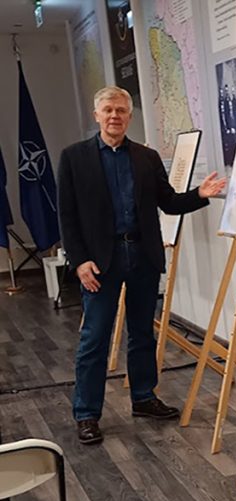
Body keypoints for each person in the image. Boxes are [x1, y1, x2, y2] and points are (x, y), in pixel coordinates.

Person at [57, 87, 226, 445]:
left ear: (129, 116)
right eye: (108, 110)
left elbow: (168, 202)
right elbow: (67, 216)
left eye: (121, 110)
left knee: (142, 333)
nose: (114, 116)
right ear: (97, 115)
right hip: (100, 262)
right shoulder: (73, 157)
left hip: (142, 256)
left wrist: (199, 195)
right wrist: (79, 260)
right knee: (94, 338)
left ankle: (144, 397)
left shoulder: (146, 157)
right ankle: (86, 413)